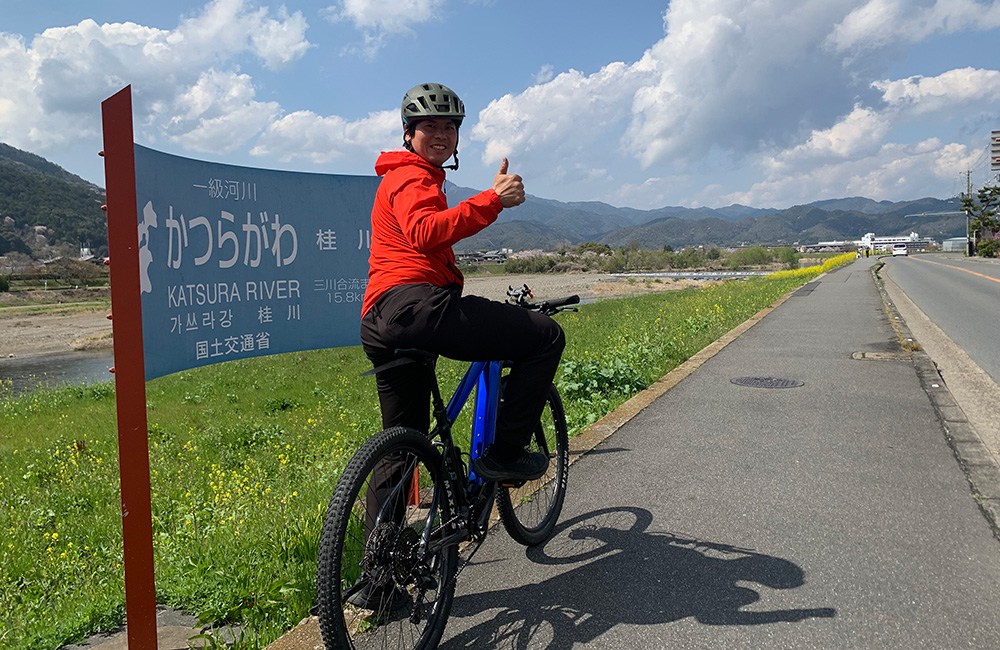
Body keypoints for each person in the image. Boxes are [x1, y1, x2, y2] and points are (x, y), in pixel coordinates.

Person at [360, 82, 566, 482]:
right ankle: (506, 454)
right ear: (408, 134)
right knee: (546, 337)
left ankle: (385, 544)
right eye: (429, 126)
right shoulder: (410, 175)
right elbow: (424, 232)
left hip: (378, 319)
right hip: (418, 308)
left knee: (403, 445)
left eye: (450, 128)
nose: (440, 135)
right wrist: (492, 200)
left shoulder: (404, 178)